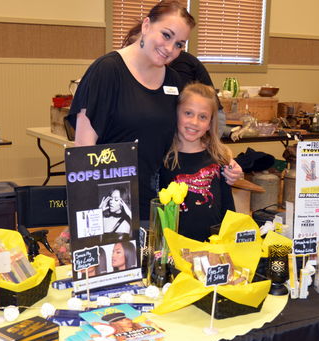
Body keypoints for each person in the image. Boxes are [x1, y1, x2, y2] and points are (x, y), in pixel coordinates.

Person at [67, 1, 242, 222]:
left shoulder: (173, 81)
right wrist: (88, 215)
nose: (170, 49)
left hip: (159, 206)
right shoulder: (107, 71)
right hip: (111, 206)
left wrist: (227, 163)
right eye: (166, 35)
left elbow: (188, 134)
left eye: (179, 44)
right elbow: (83, 149)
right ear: (147, 25)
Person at [159, 83, 235, 242]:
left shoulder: (219, 157)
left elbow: (228, 209)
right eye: (188, 113)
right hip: (174, 249)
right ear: (175, 114)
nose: (194, 122)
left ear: (209, 123)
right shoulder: (163, 158)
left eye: (202, 117)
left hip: (212, 247)